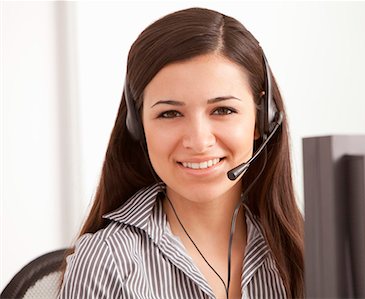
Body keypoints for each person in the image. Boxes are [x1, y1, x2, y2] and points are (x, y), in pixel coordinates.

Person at [59, 7, 304, 299]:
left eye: (223, 110)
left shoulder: (307, 253)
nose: (199, 141)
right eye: (170, 113)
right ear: (138, 127)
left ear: (261, 120)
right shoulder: (108, 262)